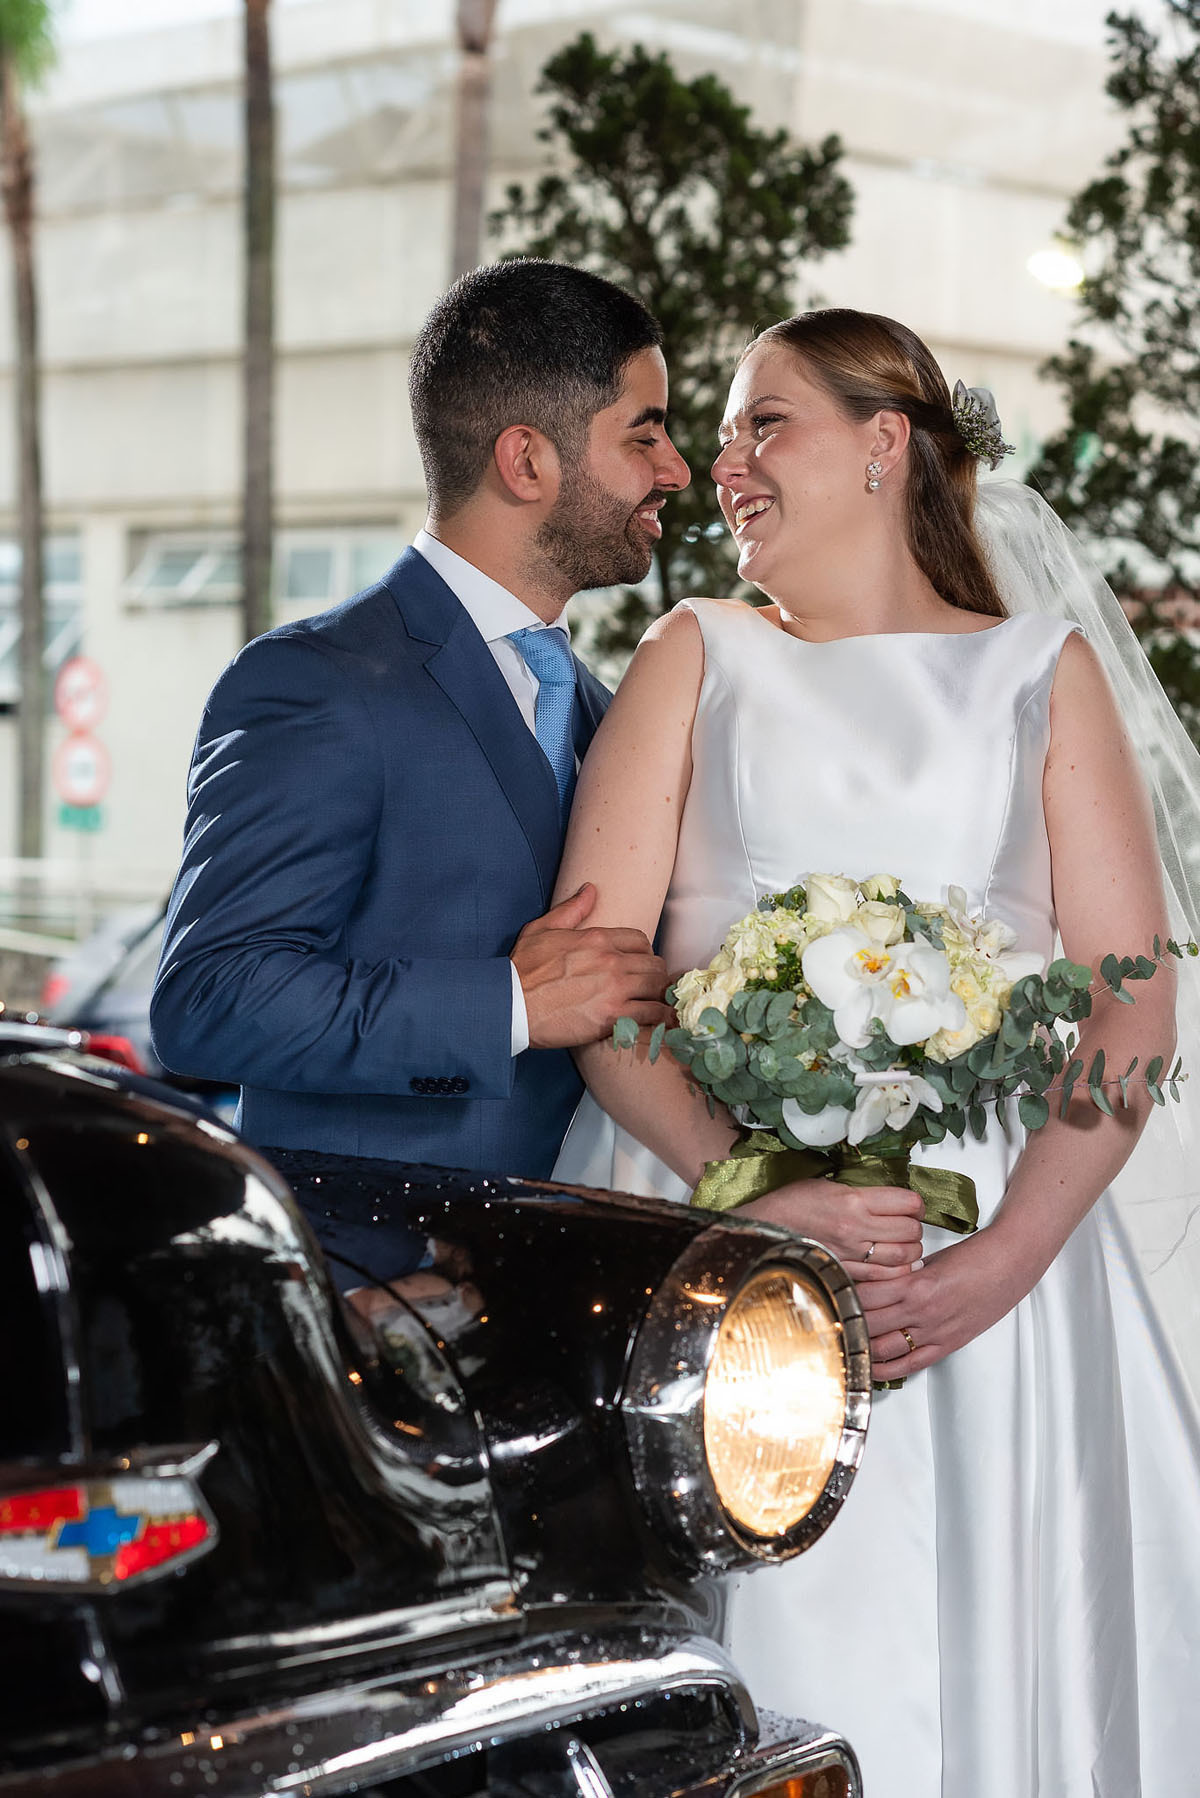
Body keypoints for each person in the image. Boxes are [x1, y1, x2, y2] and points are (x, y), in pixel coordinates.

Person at [550, 308, 1200, 1795]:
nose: (726, 463)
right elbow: (602, 982)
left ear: (883, 444)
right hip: (724, 1229)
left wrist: (1005, 1262)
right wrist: (748, 1182)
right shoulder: (694, 650)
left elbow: (1131, 1004)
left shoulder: (1043, 671)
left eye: (762, 422)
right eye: (718, 436)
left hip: (988, 1269)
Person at [150, 259, 687, 1282]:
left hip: (584, 1290)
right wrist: (509, 1007)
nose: (675, 470)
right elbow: (209, 998)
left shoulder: (617, 716)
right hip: (367, 1302)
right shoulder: (316, 684)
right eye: (644, 432)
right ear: (526, 461)